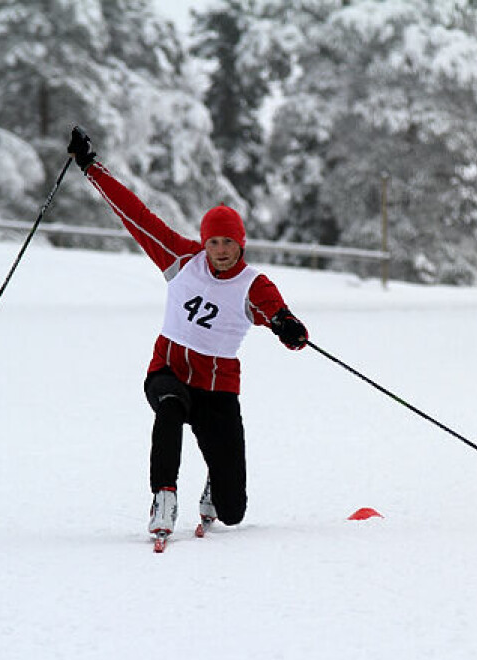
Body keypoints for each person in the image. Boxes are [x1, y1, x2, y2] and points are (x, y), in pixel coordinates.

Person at [67, 127, 309, 541]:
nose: (220, 250)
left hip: (217, 390)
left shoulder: (253, 284)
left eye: (228, 242)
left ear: (241, 244)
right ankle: (164, 497)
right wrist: (90, 167)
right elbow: (136, 215)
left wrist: (288, 327)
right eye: (213, 242)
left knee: (232, 512)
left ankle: (217, 483)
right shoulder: (180, 258)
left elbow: (277, 315)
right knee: (169, 408)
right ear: (203, 242)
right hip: (170, 371)